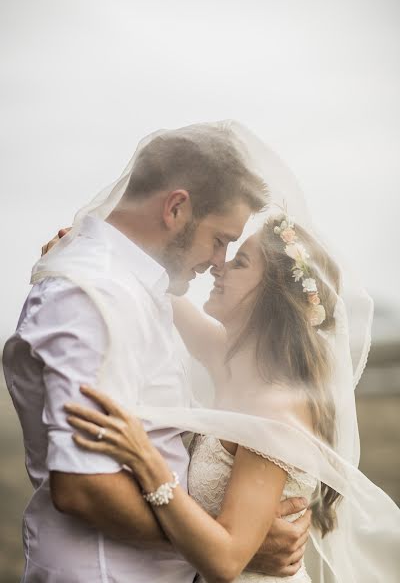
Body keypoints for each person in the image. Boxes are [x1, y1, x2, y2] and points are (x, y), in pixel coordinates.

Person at [42, 122, 400, 582]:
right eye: (224, 248)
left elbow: (228, 560)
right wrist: (85, 250)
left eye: (240, 260)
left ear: (271, 297)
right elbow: (154, 289)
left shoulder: (276, 407)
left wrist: (149, 465)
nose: (219, 265)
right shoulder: (229, 359)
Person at [2, 123, 311, 583]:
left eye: (235, 252)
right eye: (221, 239)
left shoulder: (139, 292)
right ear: (176, 208)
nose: (220, 262)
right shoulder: (91, 296)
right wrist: (232, 546)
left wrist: (229, 543)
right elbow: (82, 486)